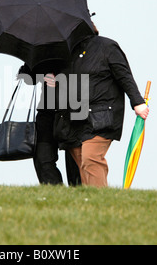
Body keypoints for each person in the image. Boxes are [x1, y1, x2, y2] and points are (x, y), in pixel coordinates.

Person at [57, 22, 149, 187]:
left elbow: (124, 76)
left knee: (90, 158)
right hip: (74, 120)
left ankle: (102, 201)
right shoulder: (66, 53)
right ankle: (93, 205)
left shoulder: (107, 47)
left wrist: (138, 102)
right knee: (83, 167)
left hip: (101, 117)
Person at [17, 61, 81, 186]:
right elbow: (29, 79)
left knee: (75, 161)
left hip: (73, 113)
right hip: (47, 113)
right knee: (42, 157)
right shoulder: (44, 51)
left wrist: (62, 80)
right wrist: (34, 66)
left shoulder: (80, 50)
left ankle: (79, 194)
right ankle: (55, 193)